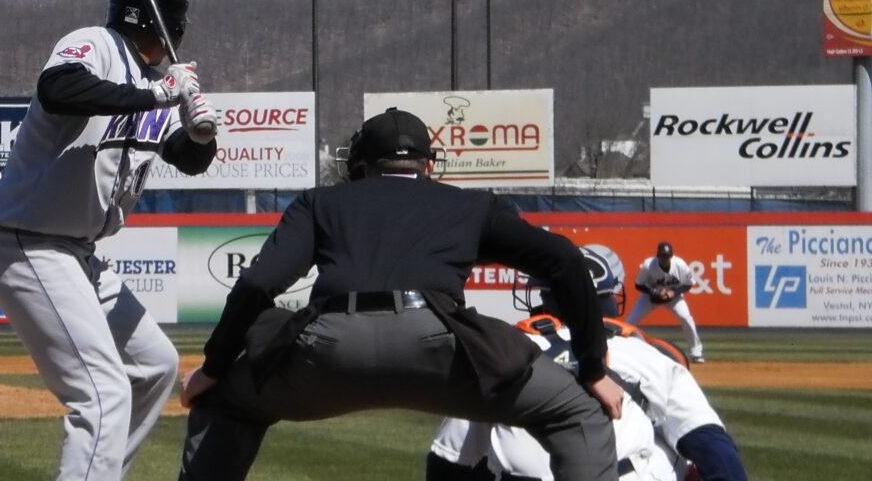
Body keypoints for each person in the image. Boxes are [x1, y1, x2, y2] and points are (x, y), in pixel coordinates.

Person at [177, 108, 625, 481]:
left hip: (329, 350)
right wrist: (592, 368)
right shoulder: (470, 205)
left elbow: (258, 284)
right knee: (579, 412)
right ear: (428, 166)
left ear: (361, 167)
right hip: (440, 349)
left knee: (223, 403)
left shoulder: (320, 202)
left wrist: (213, 369)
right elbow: (564, 259)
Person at [0, 0, 218, 480]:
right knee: (103, 392)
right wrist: (160, 96)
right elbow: (58, 87)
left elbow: (189, 159)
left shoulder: (160, 84)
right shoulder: (98, 44)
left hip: (78, 253)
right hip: (24, 242)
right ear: (171, 22)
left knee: (156, 365)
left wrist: (199, 132)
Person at [427, 246, 747, 481]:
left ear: (546, 300)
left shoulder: (498, 355)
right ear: (608, 302)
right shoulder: (647, 354)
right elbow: (714, 449)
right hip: (626, 474)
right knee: (680, 449)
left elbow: (447, 461)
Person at [626, 242, 704, 363]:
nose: (665, 258)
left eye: (667, 256)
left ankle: (696, 353)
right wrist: (653, 291)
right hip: (650, 297)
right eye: (662, 256)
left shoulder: (680, 264)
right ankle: (619, 348)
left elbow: (688, 284)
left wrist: (674, 292)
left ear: (671, 256)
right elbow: (638, 285)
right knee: (632, 320)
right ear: (657, 256)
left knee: (686, 318)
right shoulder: (648, 265)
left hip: (674, 298)